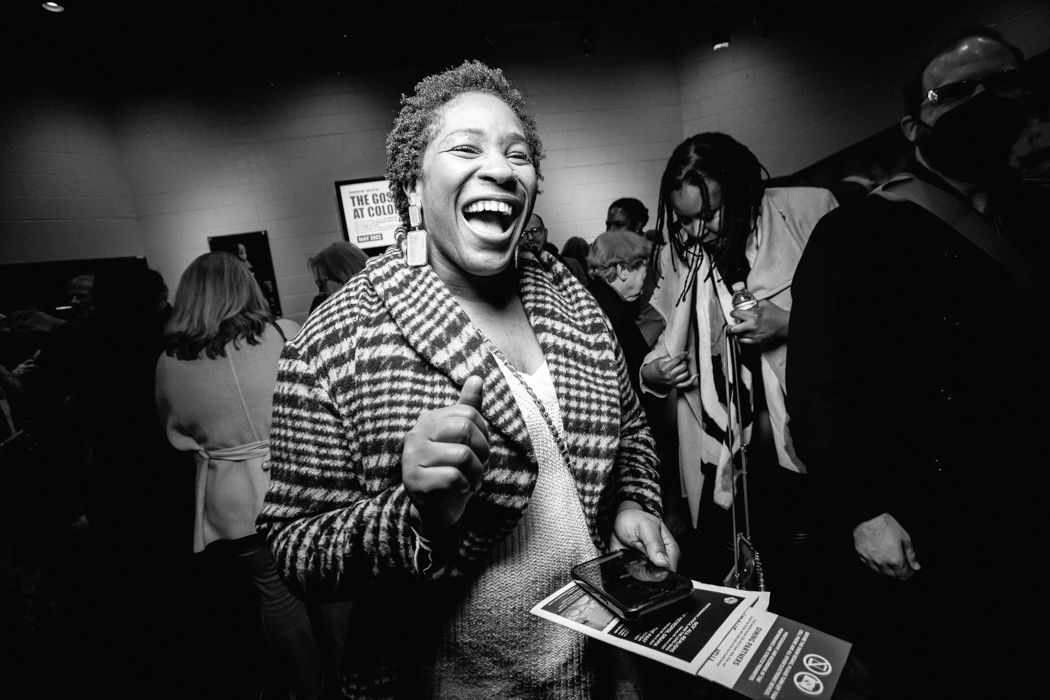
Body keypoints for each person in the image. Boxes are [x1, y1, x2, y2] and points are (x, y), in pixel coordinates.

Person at [257, 60, 676, 700]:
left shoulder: (576, 302)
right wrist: (415, 514)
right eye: (466, 148)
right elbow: (296, 548)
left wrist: (630, 504)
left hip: (602, 670)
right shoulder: (335, 340)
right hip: (451, 682)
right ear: (412, 186)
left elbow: (633, 434)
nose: (502, 169)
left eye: (518, 154)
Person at [787, 27, 1048, 699]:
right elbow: (817, 384)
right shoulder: (856, 230)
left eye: (1002, 82)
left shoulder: (1036, 212)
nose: (982, 100)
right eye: (956, 91)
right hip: (927, 516)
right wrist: (861, 510)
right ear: (913, 124)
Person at [639, 133, 837, 583]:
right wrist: (653, 371)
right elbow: (665, 339)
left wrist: (789, 324)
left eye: (709, 213)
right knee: (739, 568)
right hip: (724, 452)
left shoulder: (809, 211)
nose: (696, 231)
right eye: (684, 219)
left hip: (805, 435)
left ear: (742, 190)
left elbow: (864, 325)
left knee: (813, 565)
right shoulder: (677, 255)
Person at [154, 252, 325, 700]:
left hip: (232, 496)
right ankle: (354, 677)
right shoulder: (284, 332)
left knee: (276, 596)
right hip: (301, 479)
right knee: (331, 584)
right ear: (245, 286)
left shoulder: (170, 361)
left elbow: (175, 432)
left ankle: (308, 689)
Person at [585, 229, 651, 397]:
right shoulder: (611, 311)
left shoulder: (595, 298)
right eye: (643, 270)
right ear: (623, 271)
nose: (645, 278)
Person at [520, 212, 588, 287]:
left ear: (545, 233)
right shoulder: (515, 271)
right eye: (523, 234)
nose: (530, 237)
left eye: (535, 231)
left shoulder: (573, 265)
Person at [308, 241, 369, 313]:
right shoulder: (319, 304)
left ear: (343, 276)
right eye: (319, 284)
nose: (321, 292)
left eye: (322, 284)